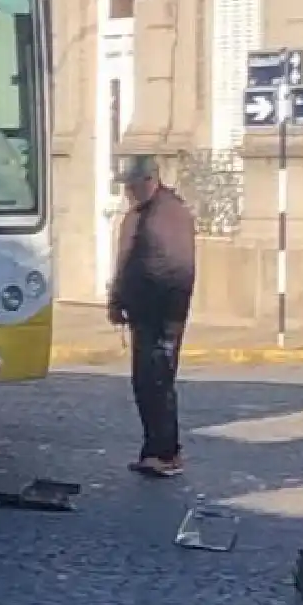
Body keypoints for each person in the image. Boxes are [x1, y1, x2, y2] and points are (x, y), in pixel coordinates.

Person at [108, 155, 196, 479]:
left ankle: (166, 452)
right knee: (149, 382)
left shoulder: (161, 216)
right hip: (153, 311)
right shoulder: (155, 212)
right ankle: (154, 449)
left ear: (150, 181)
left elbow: (167, 268)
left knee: (155, 380)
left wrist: (125, 300)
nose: (129, 192)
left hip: (159, 312)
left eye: (132, 186)